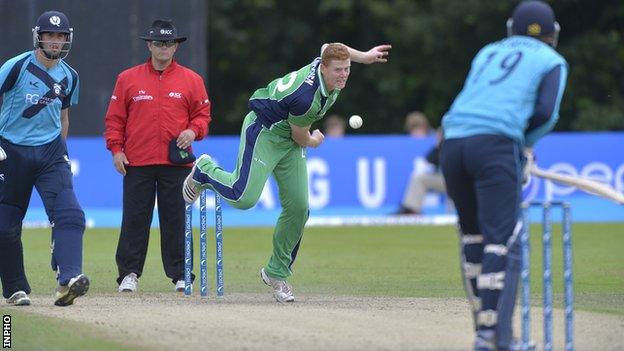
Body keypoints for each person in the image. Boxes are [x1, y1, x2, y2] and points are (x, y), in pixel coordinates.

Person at [182, 42, 391, 302]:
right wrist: (315, 141)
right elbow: (301, 137)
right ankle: (204, 170)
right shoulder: (307, 99)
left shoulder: (328, 64)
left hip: (289, 139)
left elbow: (332, 45)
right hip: (265, 132)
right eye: (338, 70)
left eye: (347, 69)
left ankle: (276, 272)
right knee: (242, 197)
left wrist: (365, 57)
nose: (344, 74)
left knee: (299, 207)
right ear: (323, 67)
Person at [439, 1, 568, 350]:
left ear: (511, 28)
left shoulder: (487, 52)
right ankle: (495, 338)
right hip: (494, 145)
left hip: (452, 144)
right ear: (554, 34)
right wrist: (523, 147)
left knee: (473, 240)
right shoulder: (552, 60)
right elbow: (545, 112)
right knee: (504, 243)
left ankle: (484, 330)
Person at [104, 19, 211, 293]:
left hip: (177, 162)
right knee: (134, 219)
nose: (164, 48)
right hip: (137, 162)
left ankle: (181, 274)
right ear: (150, 45)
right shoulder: (127, 78)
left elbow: (203, 116)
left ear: (176, 46)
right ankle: (128, 274)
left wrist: (192, 130)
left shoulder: (192, 79)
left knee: (176, 219)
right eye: (159, 43)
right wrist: (116, 150)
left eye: (169, 43)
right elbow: (114, 119)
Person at [0, 10, 89, 307]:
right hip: (11, 150)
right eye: (50, 35)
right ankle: (15, 288)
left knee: (71, 214)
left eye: (61, 35)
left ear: (68, 39)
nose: (55, 41)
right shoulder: (16, 67)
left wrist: (60, 152)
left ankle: (68, 281)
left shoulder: (70, 76)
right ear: (39, 37)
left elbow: (64, 117)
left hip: (51, 151)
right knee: (5, 226)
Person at [396, 129, 447, 215]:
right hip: (448, 180)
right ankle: (411, 210)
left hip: (463, 180)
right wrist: (439, 145)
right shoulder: (445, 145)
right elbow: (430, 159)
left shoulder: (457, 141)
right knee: (420, 179)